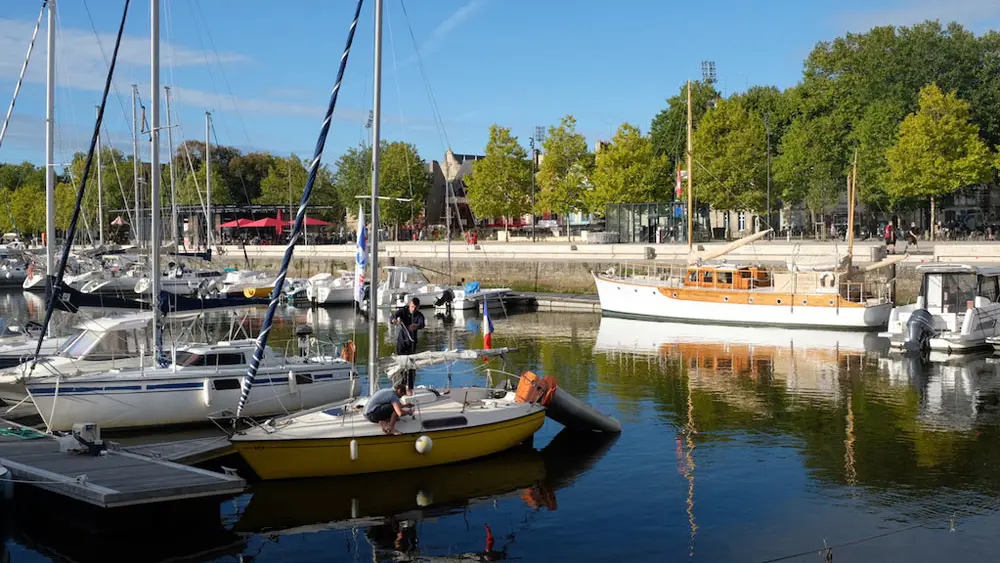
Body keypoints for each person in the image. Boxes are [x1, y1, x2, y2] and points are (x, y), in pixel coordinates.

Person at [391, 297, 425, 394]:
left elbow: (422, 324)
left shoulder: (419, 315)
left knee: (411, 367)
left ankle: (410, 388)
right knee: (401, 365)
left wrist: (416, 326)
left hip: (412, 343)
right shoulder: (403, 311)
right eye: (412, 306)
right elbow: (394, 315)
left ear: (418, 307)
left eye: (415, 307)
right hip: (402, 342)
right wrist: (393, 320)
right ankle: (401, 388)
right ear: (410, 304)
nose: (413, 309)